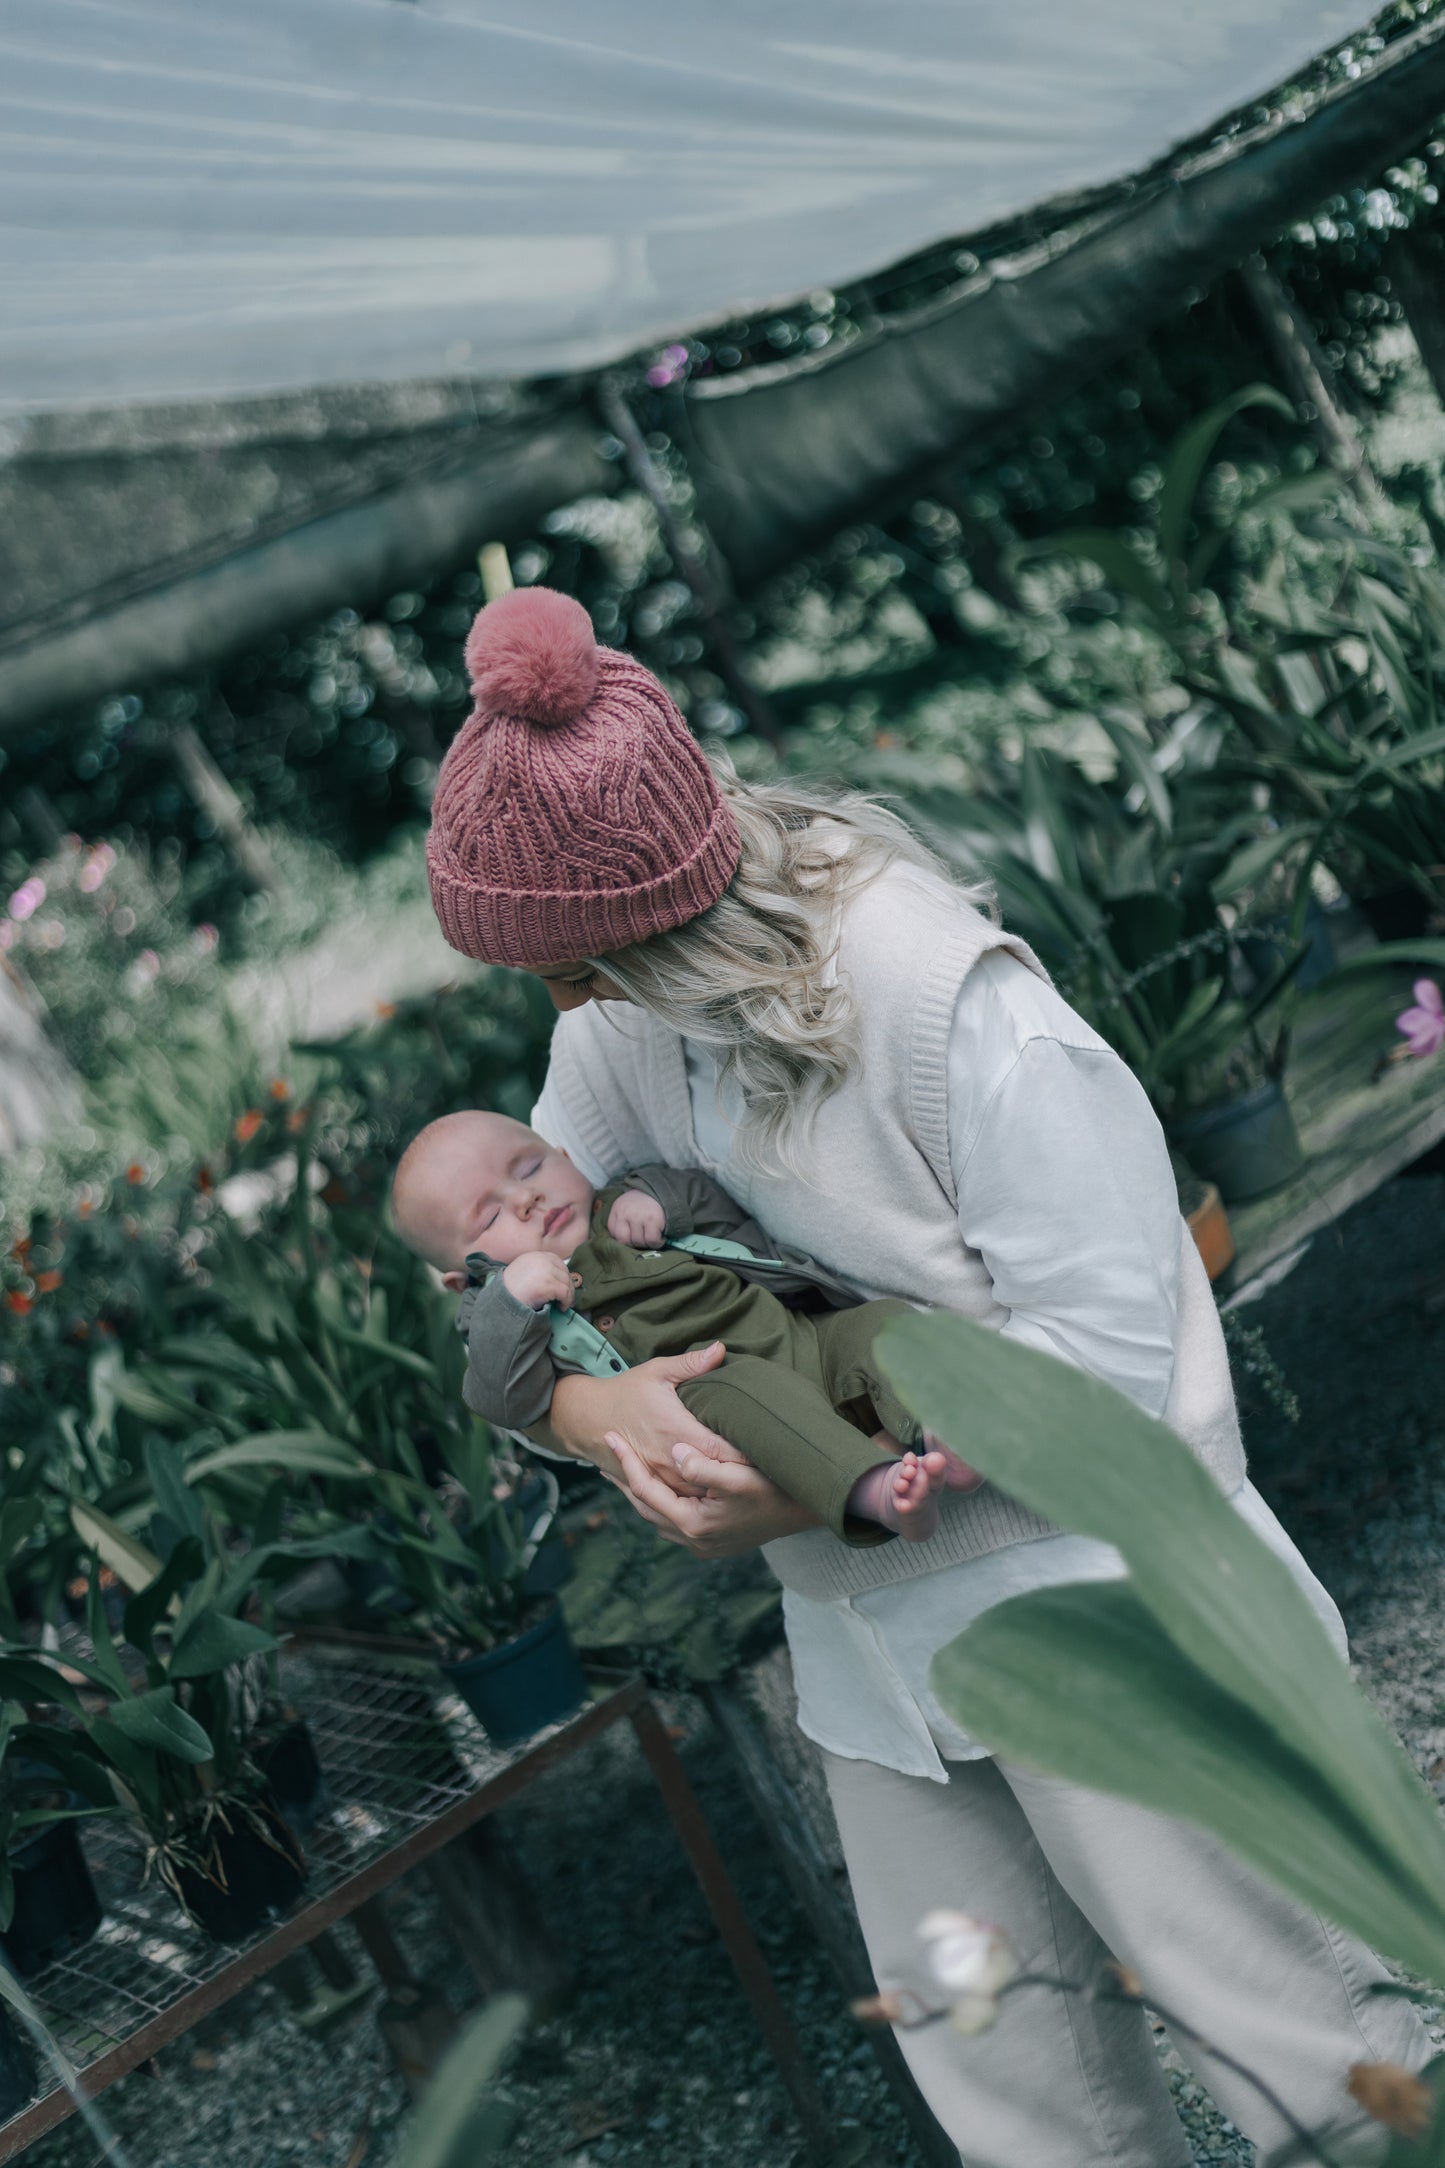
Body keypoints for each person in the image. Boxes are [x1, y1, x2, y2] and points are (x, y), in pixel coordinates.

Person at [423, 584, 1428, 2167]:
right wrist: (593, 1410)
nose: (557, 1005)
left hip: (1106, 1609)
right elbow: (532, 1282)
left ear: (671, 911)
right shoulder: (619, 1032)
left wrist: (824, 1478)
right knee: (1023, 2111)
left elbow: (1107, 1345)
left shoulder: (946, 1000)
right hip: (873, 1673)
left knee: (1322, 2074)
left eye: (577, 962)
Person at [391, 1107, 982, 1542]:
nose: (526, 1198)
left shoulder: (628, 1201)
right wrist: (509, 1305)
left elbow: (725, 1216)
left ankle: (938, 1426)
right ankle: (876, 1491)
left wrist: (659, 1201)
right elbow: (500, 1400)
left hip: (806, 1336)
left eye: (531, 1167)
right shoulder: (510, 1314)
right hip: (718, 1390)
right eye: (491, 1215)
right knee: (748, 1389)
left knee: (880, 1326)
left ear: (569, 1159)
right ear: (460, 1280)